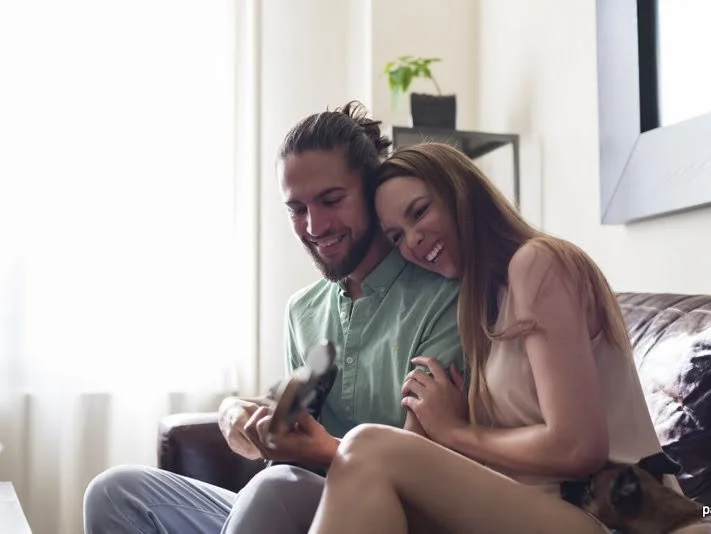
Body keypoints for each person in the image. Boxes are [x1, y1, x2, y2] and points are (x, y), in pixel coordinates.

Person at [82, 104, 463, 534]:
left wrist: (322, 450)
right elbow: (293, 418)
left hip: (377, 516)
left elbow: (419, 473)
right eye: (297, 209)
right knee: (113, 492)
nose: (314, 226)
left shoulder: (442, 297)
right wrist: (234, 412)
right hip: (286, 512)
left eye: (331, 200)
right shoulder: (303, 311)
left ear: (373, 192)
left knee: (277, 486)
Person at [308, 142, 680, 534]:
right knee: (304, 488)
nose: (413, 240)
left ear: (460, 193)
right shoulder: (478, 306)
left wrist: (456, 431)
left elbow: (578, 448)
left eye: (420, 212)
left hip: (611, 514)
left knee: (368, 445)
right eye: (397, 236)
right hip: (537, 509)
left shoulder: (538, 263)